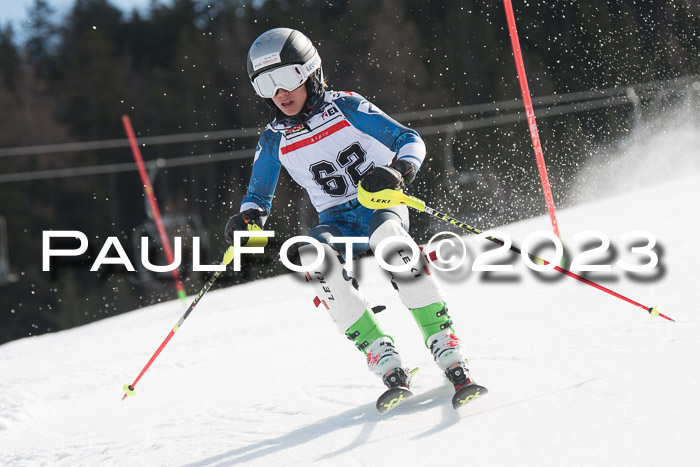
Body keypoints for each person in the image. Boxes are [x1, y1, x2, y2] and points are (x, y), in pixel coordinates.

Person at [225, 27, 476, 394]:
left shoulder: (345, 107)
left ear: (310, 72)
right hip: (338, 223)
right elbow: (258, 198)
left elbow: (409, 140)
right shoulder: (274, 137)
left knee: (391, 242)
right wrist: (247, 220)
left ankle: (444, 342)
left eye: (286, 78)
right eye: (266, 85)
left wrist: (397, 171)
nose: (279, 93)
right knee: (314, 257)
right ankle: (380, 353)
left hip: (379, 207)